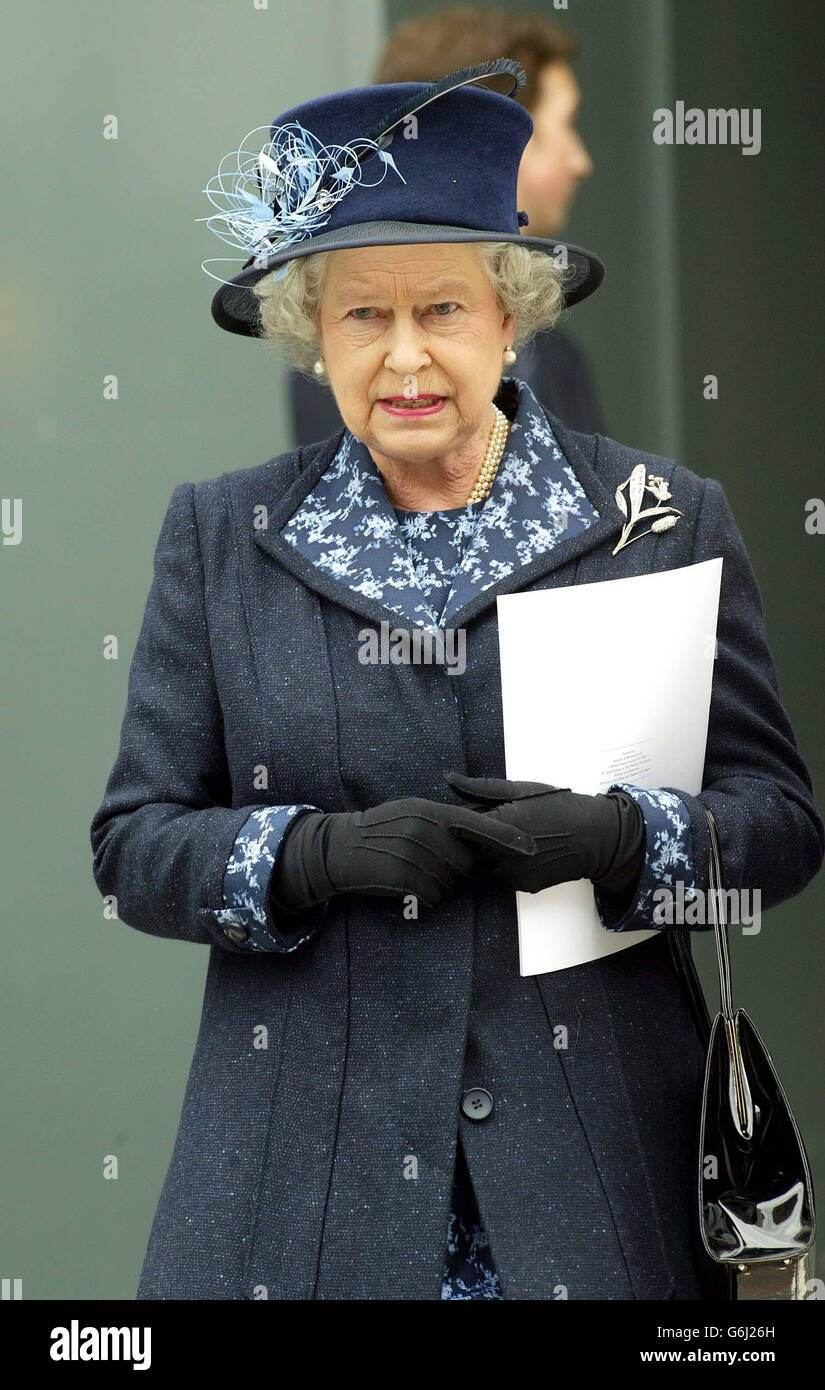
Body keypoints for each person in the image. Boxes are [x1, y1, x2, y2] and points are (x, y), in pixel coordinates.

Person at [90, 60, 823, 1301]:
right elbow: (134, 845)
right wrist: (307, 856)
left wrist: (617, 838)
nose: (407, 356)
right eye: (362, 318)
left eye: (444, 308)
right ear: (311, 339)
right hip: (301, 1202)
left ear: (511, 315)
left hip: (599, 1192)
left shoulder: (658, 517)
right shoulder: (221, 535)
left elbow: (781, 826)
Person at [289, 7, 602, 448]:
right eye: (564, 128)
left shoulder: (561, 358)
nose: (580, 161)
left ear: (508, 321)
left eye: (443, 309)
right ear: (495, 138)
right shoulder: (344, 378)